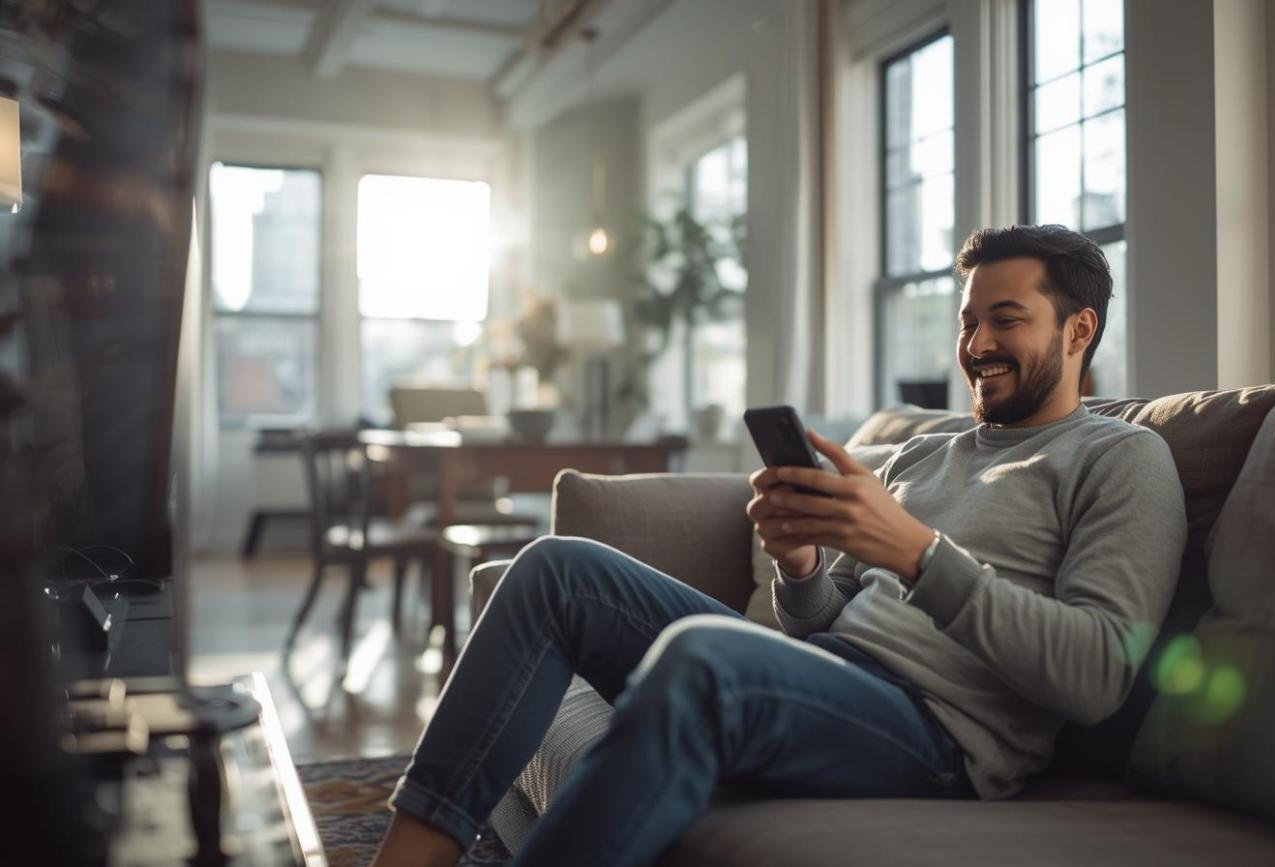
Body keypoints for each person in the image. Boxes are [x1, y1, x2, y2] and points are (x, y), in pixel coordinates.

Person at [369, 225, 1187, 867]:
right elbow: (825, 624)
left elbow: (1096, 674)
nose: (976, 345)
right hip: (833, 677)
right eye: (969, 321)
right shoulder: (925, 454)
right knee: (555, 569)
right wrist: (800, 568)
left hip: (939, 736)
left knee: (703, 655)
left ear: (1079, 329)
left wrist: (917, 552)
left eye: (1006, 320)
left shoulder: (1122, 458)